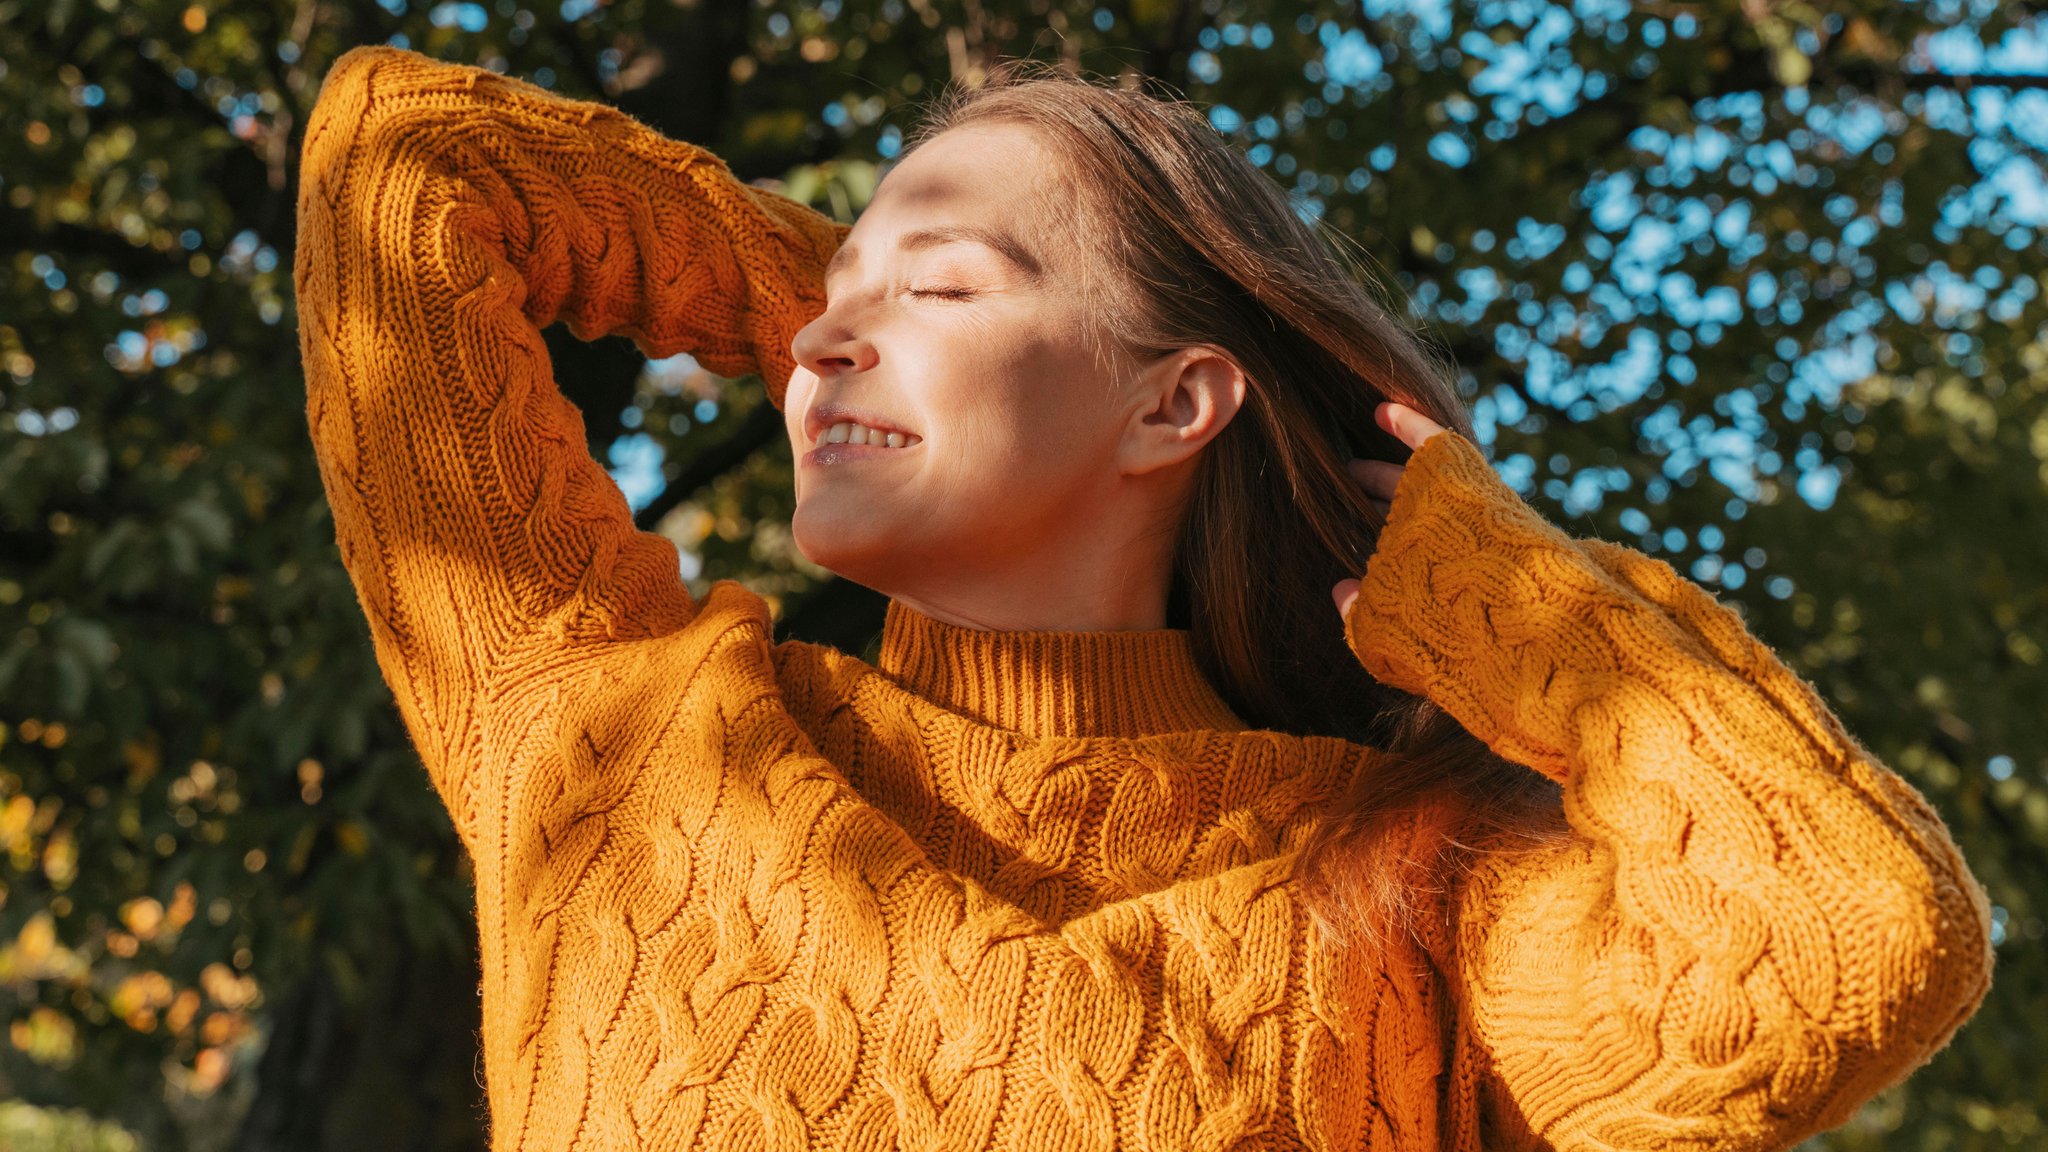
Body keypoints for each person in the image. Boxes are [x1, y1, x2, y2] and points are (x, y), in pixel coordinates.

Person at [294, 44, 1992, 1152]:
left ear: (1177, 403)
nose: (825, 338)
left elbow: (1850, 940)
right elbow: (401, 158)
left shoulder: (1419, 903)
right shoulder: (602, 732)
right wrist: (845, 313)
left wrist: (1503, 593)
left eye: (942, 286)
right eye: (828, 298)